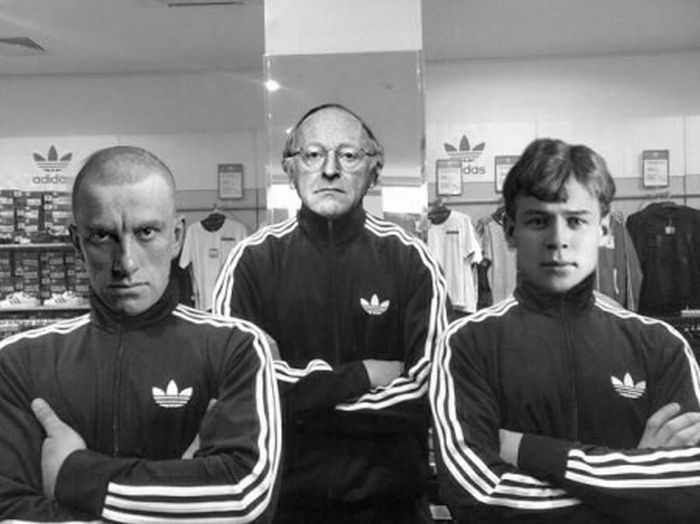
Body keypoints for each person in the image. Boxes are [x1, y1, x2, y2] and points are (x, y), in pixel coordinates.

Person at [0, 146, 281, 522]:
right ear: (77, 243)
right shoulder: (18, 362)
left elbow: (243, 498)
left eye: (146, 232)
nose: (126, 262)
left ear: (177, 236)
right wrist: (180, 500)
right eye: (103, 236)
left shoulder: (236, 348)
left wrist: (74, 473)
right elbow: (8, 510)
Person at [429, 137, 700, 524]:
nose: (558, 240)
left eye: (576, 220)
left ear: (603, 229)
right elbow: (476, 495)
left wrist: (526, 449)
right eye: (538, 221)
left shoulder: (660, 345)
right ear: (510, 231)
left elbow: (690, 487)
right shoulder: (467, 343)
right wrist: (638, 479)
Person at [212, 103, 448, 523]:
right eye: (313, 154)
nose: (330, 170)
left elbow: (428, 395)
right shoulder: (251, 262)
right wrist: (362, 376)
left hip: (392, 507)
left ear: (374, 169)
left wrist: (297, 400)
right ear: (290, 168)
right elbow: (242, 399)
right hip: (284, 507)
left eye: (349, 155)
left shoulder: (411, 260)